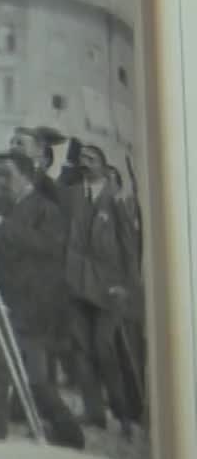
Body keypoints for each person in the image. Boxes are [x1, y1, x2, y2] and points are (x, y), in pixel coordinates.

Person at [0, 151, 84, 449]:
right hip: (5, 297)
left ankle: (67, 431)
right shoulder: (6, 206)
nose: (1, 180)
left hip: (35, 303)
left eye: (7, 174)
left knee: (34, 375)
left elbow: (48, 247)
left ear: (26, 175)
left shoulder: (46, 209)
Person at [64, 144, 141, 435]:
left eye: (92, 158)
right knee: (82, 350)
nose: (85, 163)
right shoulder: (73, 195)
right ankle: (93, 412)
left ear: (105, 166)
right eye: (82, 158)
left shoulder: (117, 199)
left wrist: (126, 285)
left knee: (104, 348)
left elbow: (130, 248)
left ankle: (122, 414)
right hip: (76, 284)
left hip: (109, 288)